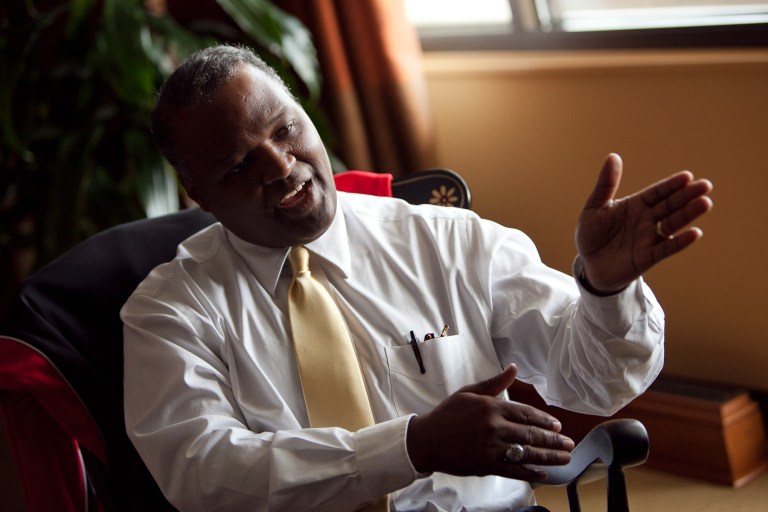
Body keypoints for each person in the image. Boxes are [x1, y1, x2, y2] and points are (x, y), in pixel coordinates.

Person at [121, 44, 713, 512]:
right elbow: (200, 470)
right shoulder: (171, 309)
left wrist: (605, 292)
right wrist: (410, 447)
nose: (281, 167)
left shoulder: (450, 240)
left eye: (283, 130)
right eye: (238, 164)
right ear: (197, 193)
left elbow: (593, 384)